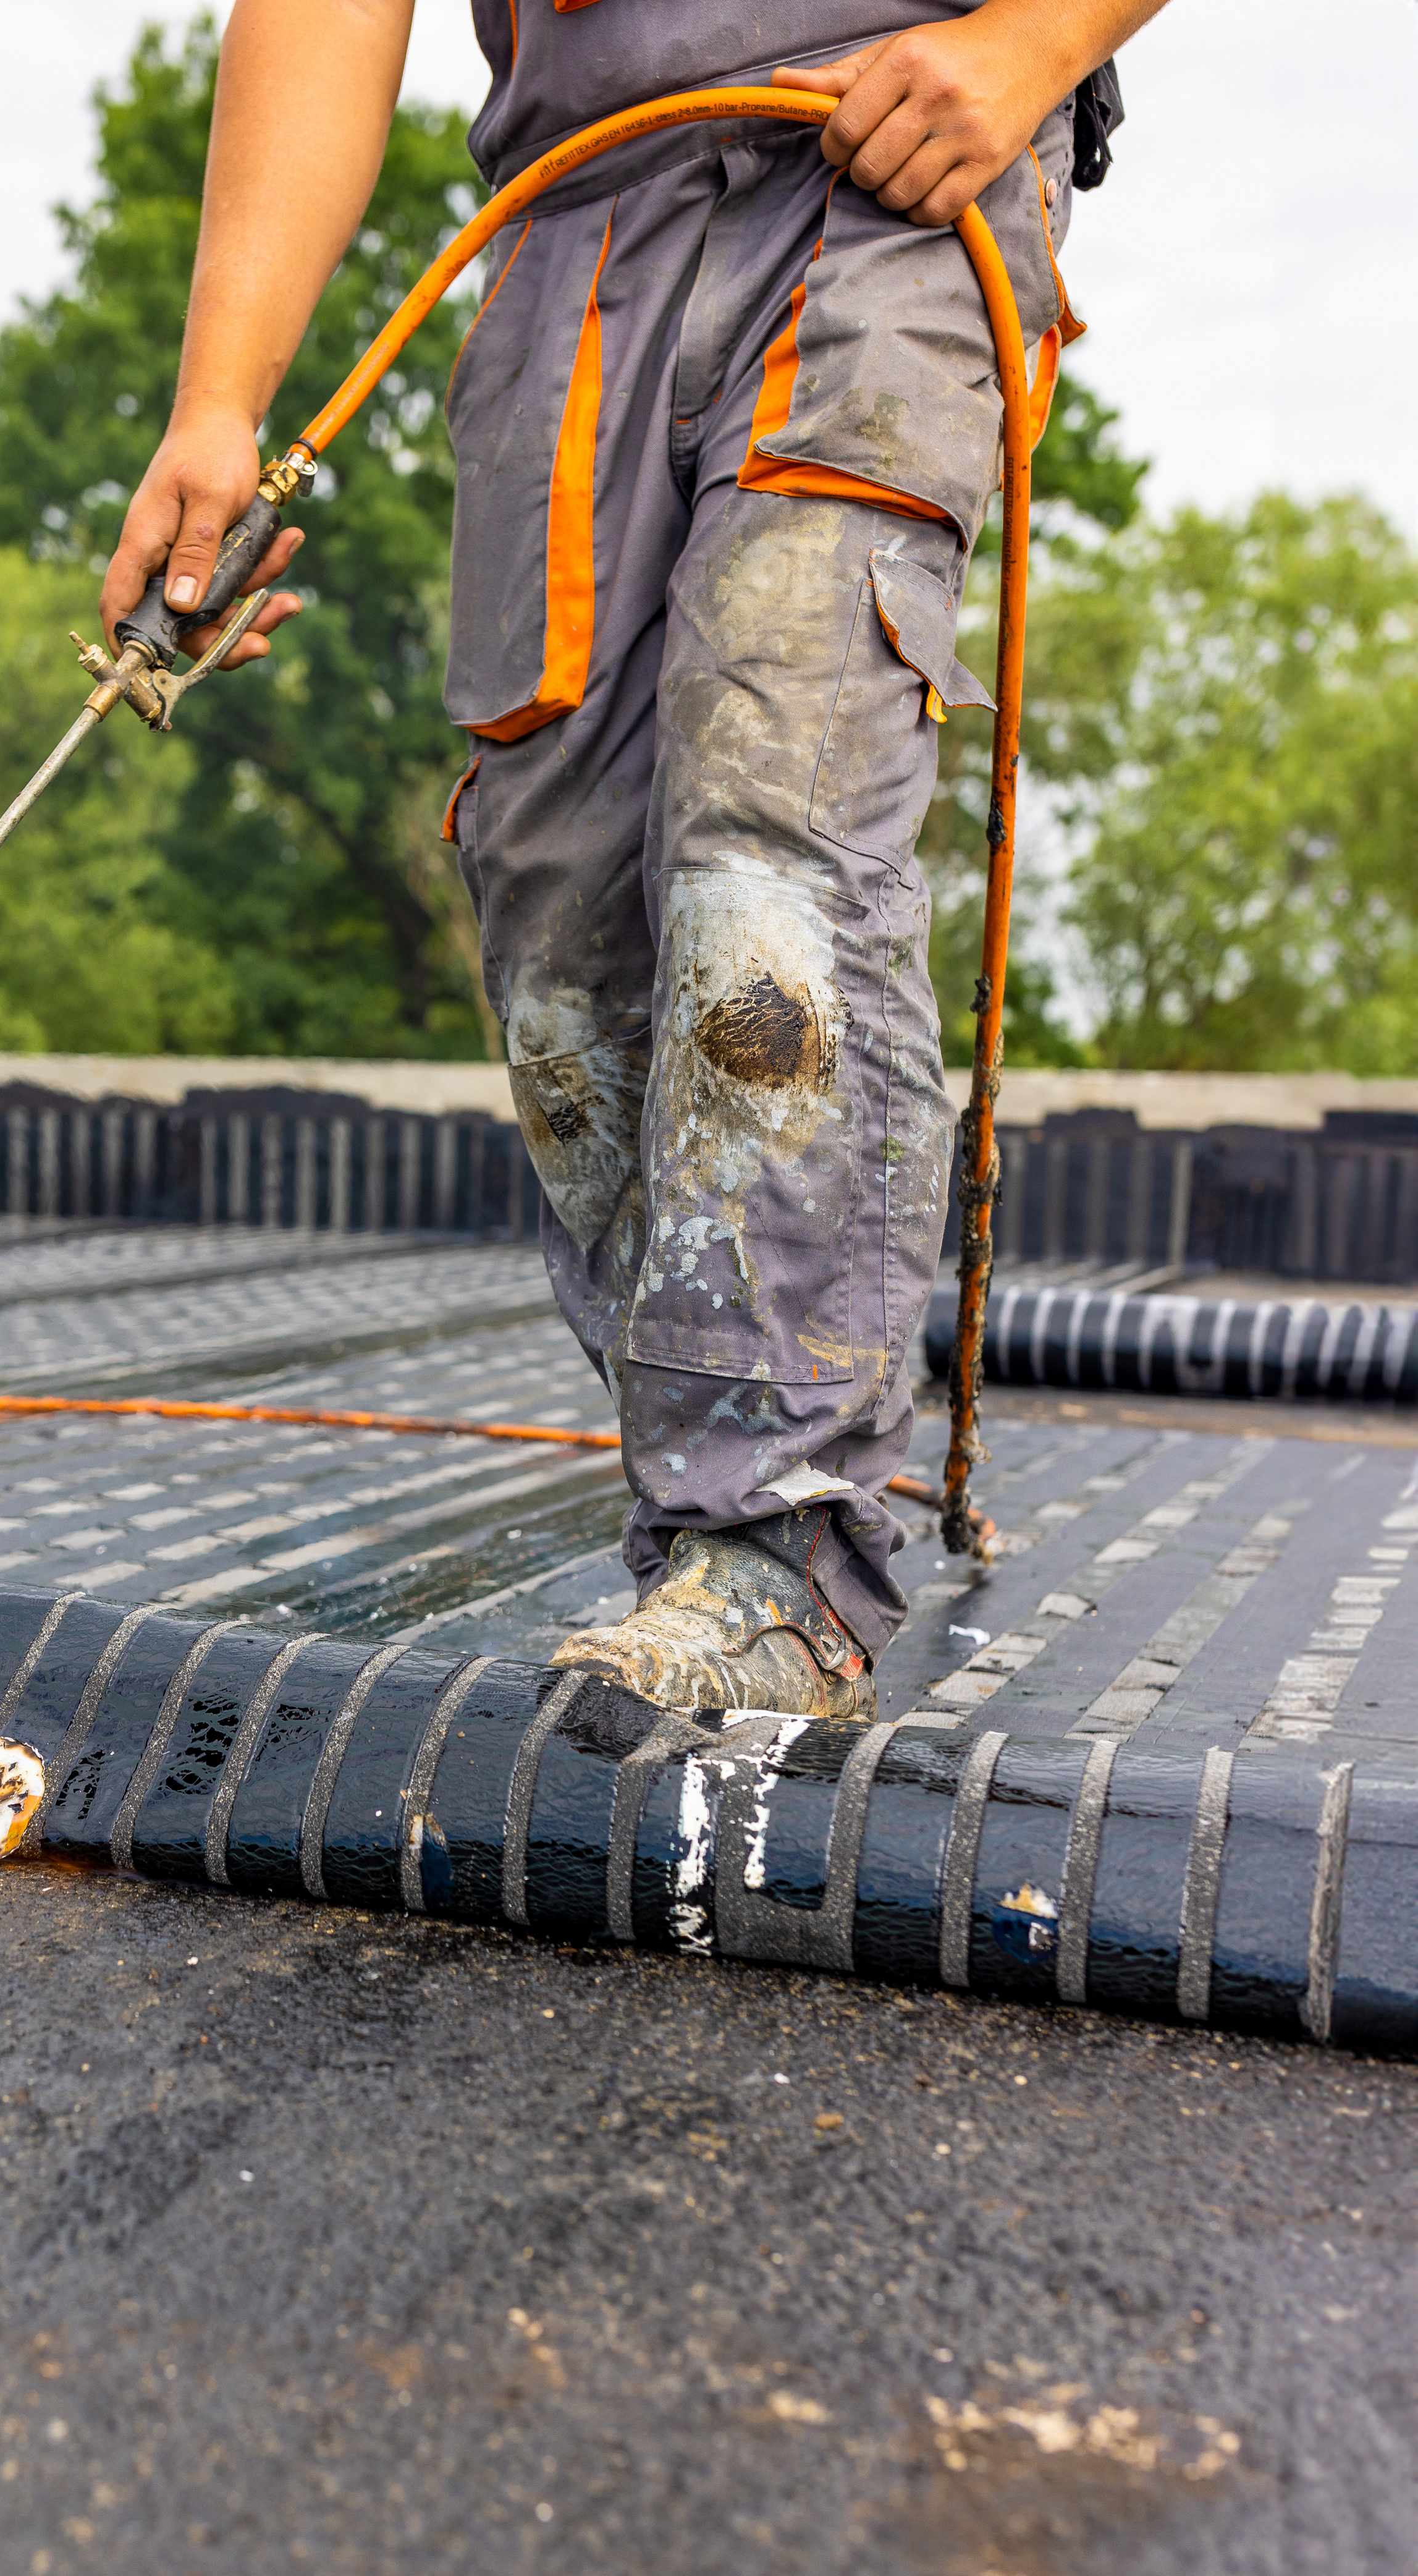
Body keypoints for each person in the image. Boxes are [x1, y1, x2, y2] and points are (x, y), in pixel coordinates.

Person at [101, 0, 1163, 1718]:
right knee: (558, 921)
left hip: (880, 162)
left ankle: (774, 1546)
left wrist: (1041, 41)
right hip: (572, 224)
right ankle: (702, 1472)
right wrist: (220, 404)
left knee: (773, 852)